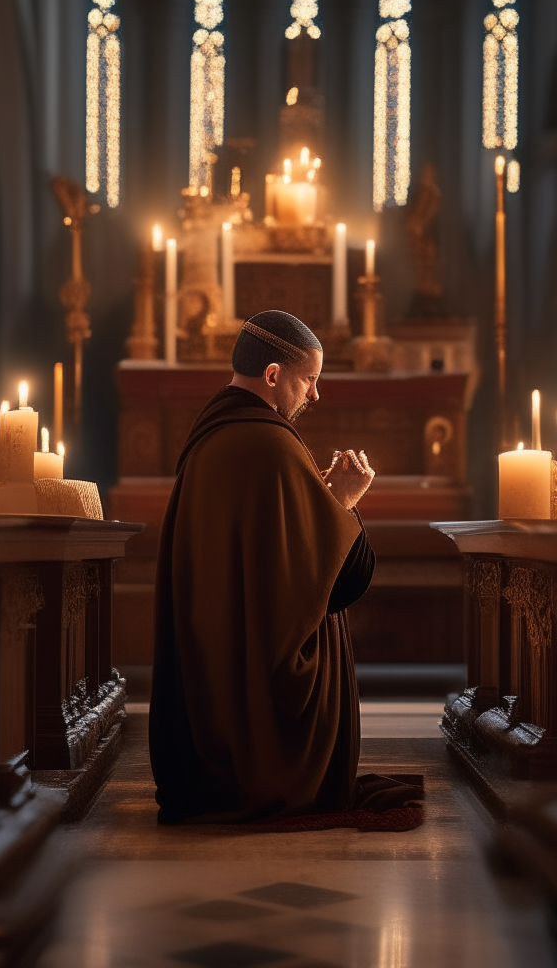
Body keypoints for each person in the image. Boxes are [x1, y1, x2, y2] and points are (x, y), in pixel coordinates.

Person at [149, 310, 417, 823]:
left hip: (212, 679)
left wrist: (315, 505)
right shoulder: (271, 445)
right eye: (310, 379)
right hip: (261, 712)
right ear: (273, 375)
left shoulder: (208, 436)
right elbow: (337, 583)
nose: (316, 395)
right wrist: (341, 500)